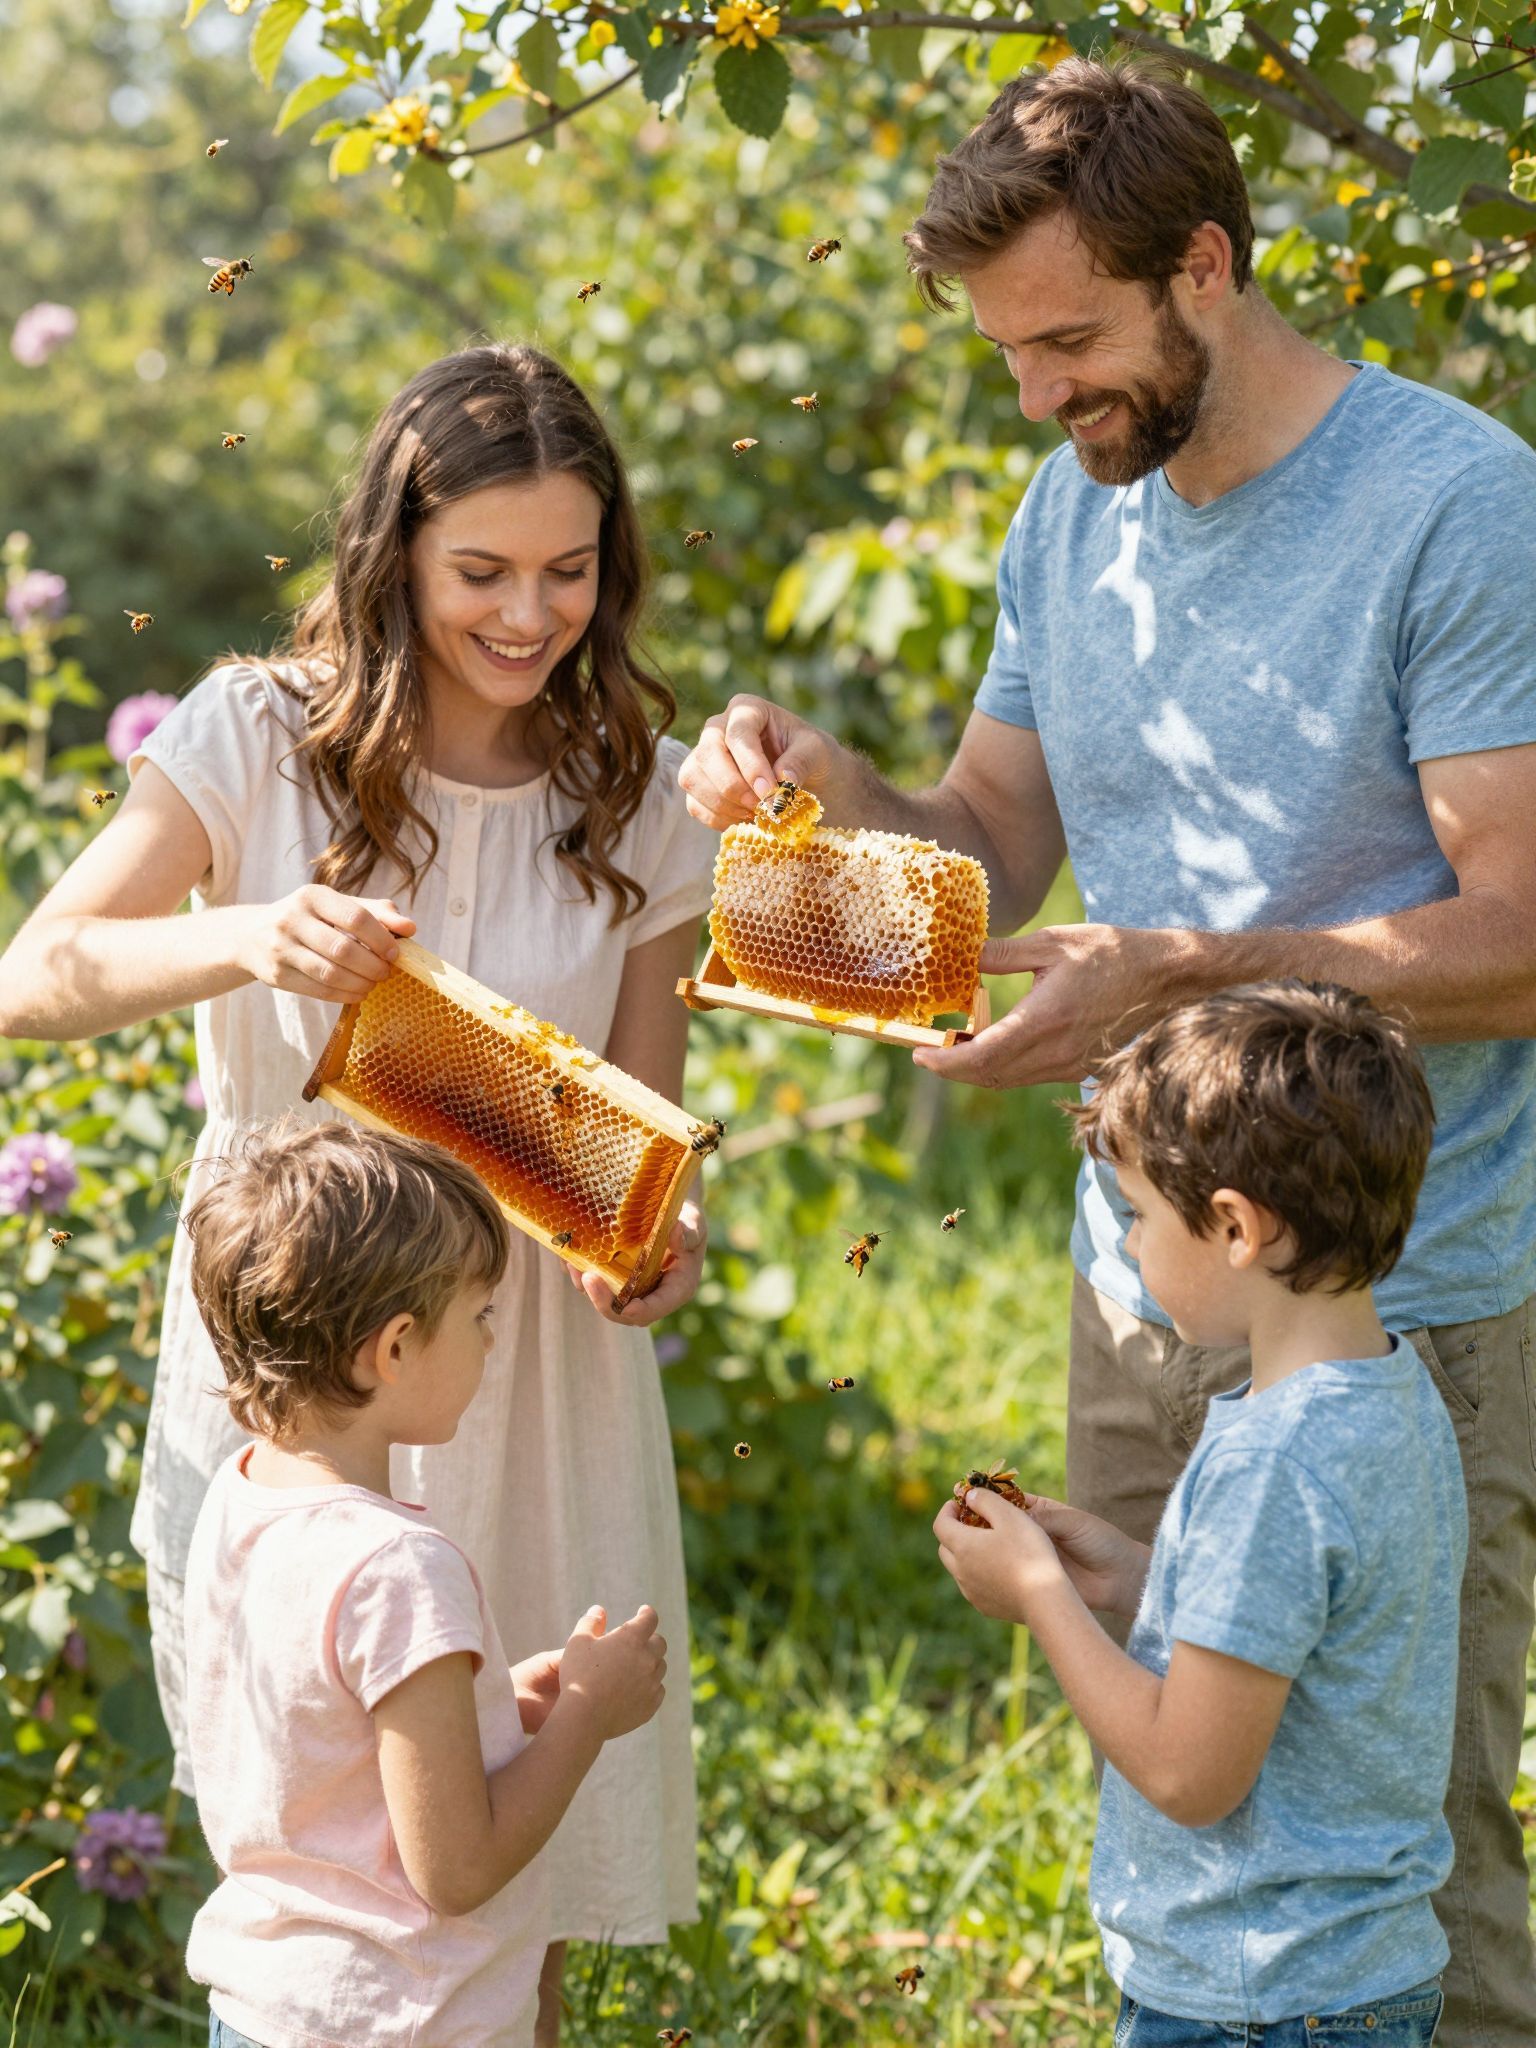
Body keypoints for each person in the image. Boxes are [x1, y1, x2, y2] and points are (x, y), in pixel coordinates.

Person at [677, 59, 1536, 2045]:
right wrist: (829, 795)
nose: (1035, 395)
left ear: (1204, 267)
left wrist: (1176, 975)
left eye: (1066, 341)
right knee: (1192, 1824)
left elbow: (1521, 937)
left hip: (1396, 1301)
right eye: (1006, 352)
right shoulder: (1074, 515)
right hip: (1145, 1287)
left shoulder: (1456, 504)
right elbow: (983, 840)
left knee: (1417, 1862)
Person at [0, 343, 717, 2039]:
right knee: (315, 1850)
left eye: (568, 570)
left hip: (522, 1374)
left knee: (516, 1870)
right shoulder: (261, 736)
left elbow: (636, 1132)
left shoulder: (634, 785)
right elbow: (34, 973)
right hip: (302, 1380)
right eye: (482, 572)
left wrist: (651, 1248)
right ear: (394, 551)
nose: (529, 614)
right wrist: (251, 934)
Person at [936, 981, 1463, 2045]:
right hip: (1350, 1979)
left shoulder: (1275, 1462)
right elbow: (1308, 1640)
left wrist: (1041, 1597)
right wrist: (1138, 1580)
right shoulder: (1390, 1391)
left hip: (1255, 1999)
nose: (1130, 1246)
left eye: (1138, 1214)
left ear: (1233, 1226)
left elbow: (1189, 1774)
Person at [178, 1116, 668, 2048]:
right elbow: (457, 1869)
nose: (490, 1341)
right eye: (480, 1317)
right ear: (395, 1348)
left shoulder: (239, 1501)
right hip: (406, 2021)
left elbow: (328, 1742)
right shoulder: (399, 1569)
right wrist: (585, 1717)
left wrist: (496, 1704)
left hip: (261, 2010)